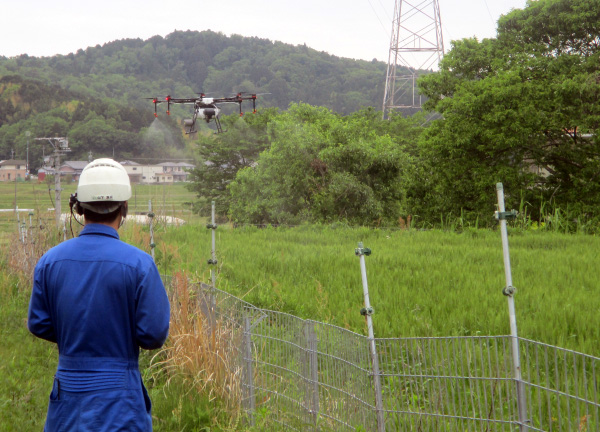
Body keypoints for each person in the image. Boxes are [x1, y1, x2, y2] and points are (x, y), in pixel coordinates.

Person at [28, 158, 170, 431]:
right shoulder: (140, 265)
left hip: (67, 397)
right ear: (124, 208)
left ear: (79, 208)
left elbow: (39, 323)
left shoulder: (50, 262)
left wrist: (75, 332)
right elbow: (153, 334)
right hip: (121, 400)